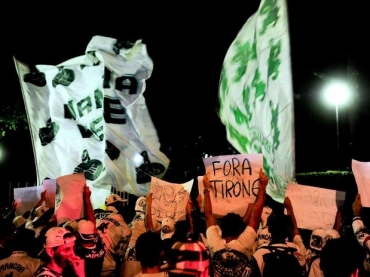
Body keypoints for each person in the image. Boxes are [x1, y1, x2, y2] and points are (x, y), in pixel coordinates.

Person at [95, 193, 132, 277]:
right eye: (121, 203)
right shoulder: (125, 227)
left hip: (90, 263)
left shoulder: (95, 216)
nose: (122, 205)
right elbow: (119, 254)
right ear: (117, 205)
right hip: (107, 268)